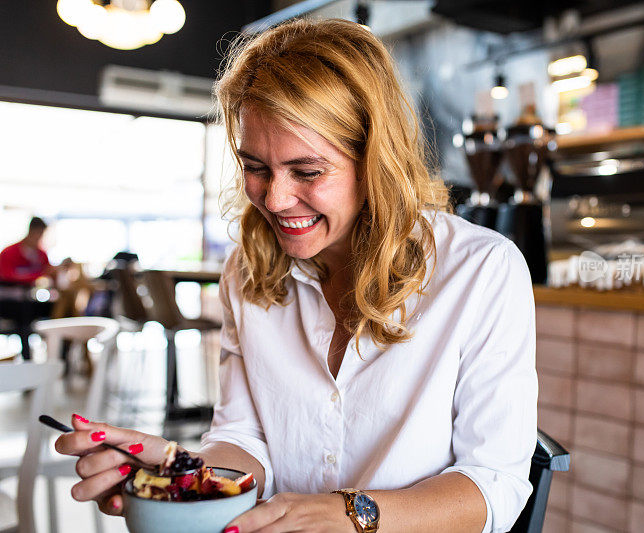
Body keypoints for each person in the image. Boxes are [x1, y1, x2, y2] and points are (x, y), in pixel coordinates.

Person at [54, 18, 537, 533]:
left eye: (307, 172)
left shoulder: (481, 270)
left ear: (374, 158)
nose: (275, 199)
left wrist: (353, 515)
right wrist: (188, 478)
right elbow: (244, 441)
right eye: (255, 167)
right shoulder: (249, 270)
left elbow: (493, 485)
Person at [0, 216, 54, 285]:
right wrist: (37, 277)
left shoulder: (42, 255)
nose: (39, 237)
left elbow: (48, 273)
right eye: (37, 233)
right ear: (30, 231)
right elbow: (6, 276)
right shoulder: (8, 253)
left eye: (41, 234)